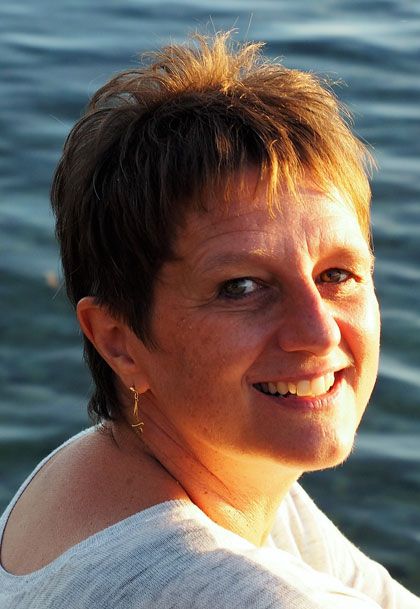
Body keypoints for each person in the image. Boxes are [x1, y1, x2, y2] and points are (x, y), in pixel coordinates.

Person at [0, 31, 418, 609]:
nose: (318, 332)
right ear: (118, 341)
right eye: (240, 287)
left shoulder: (94, 476)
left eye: (337, 274)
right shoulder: (246, 592)